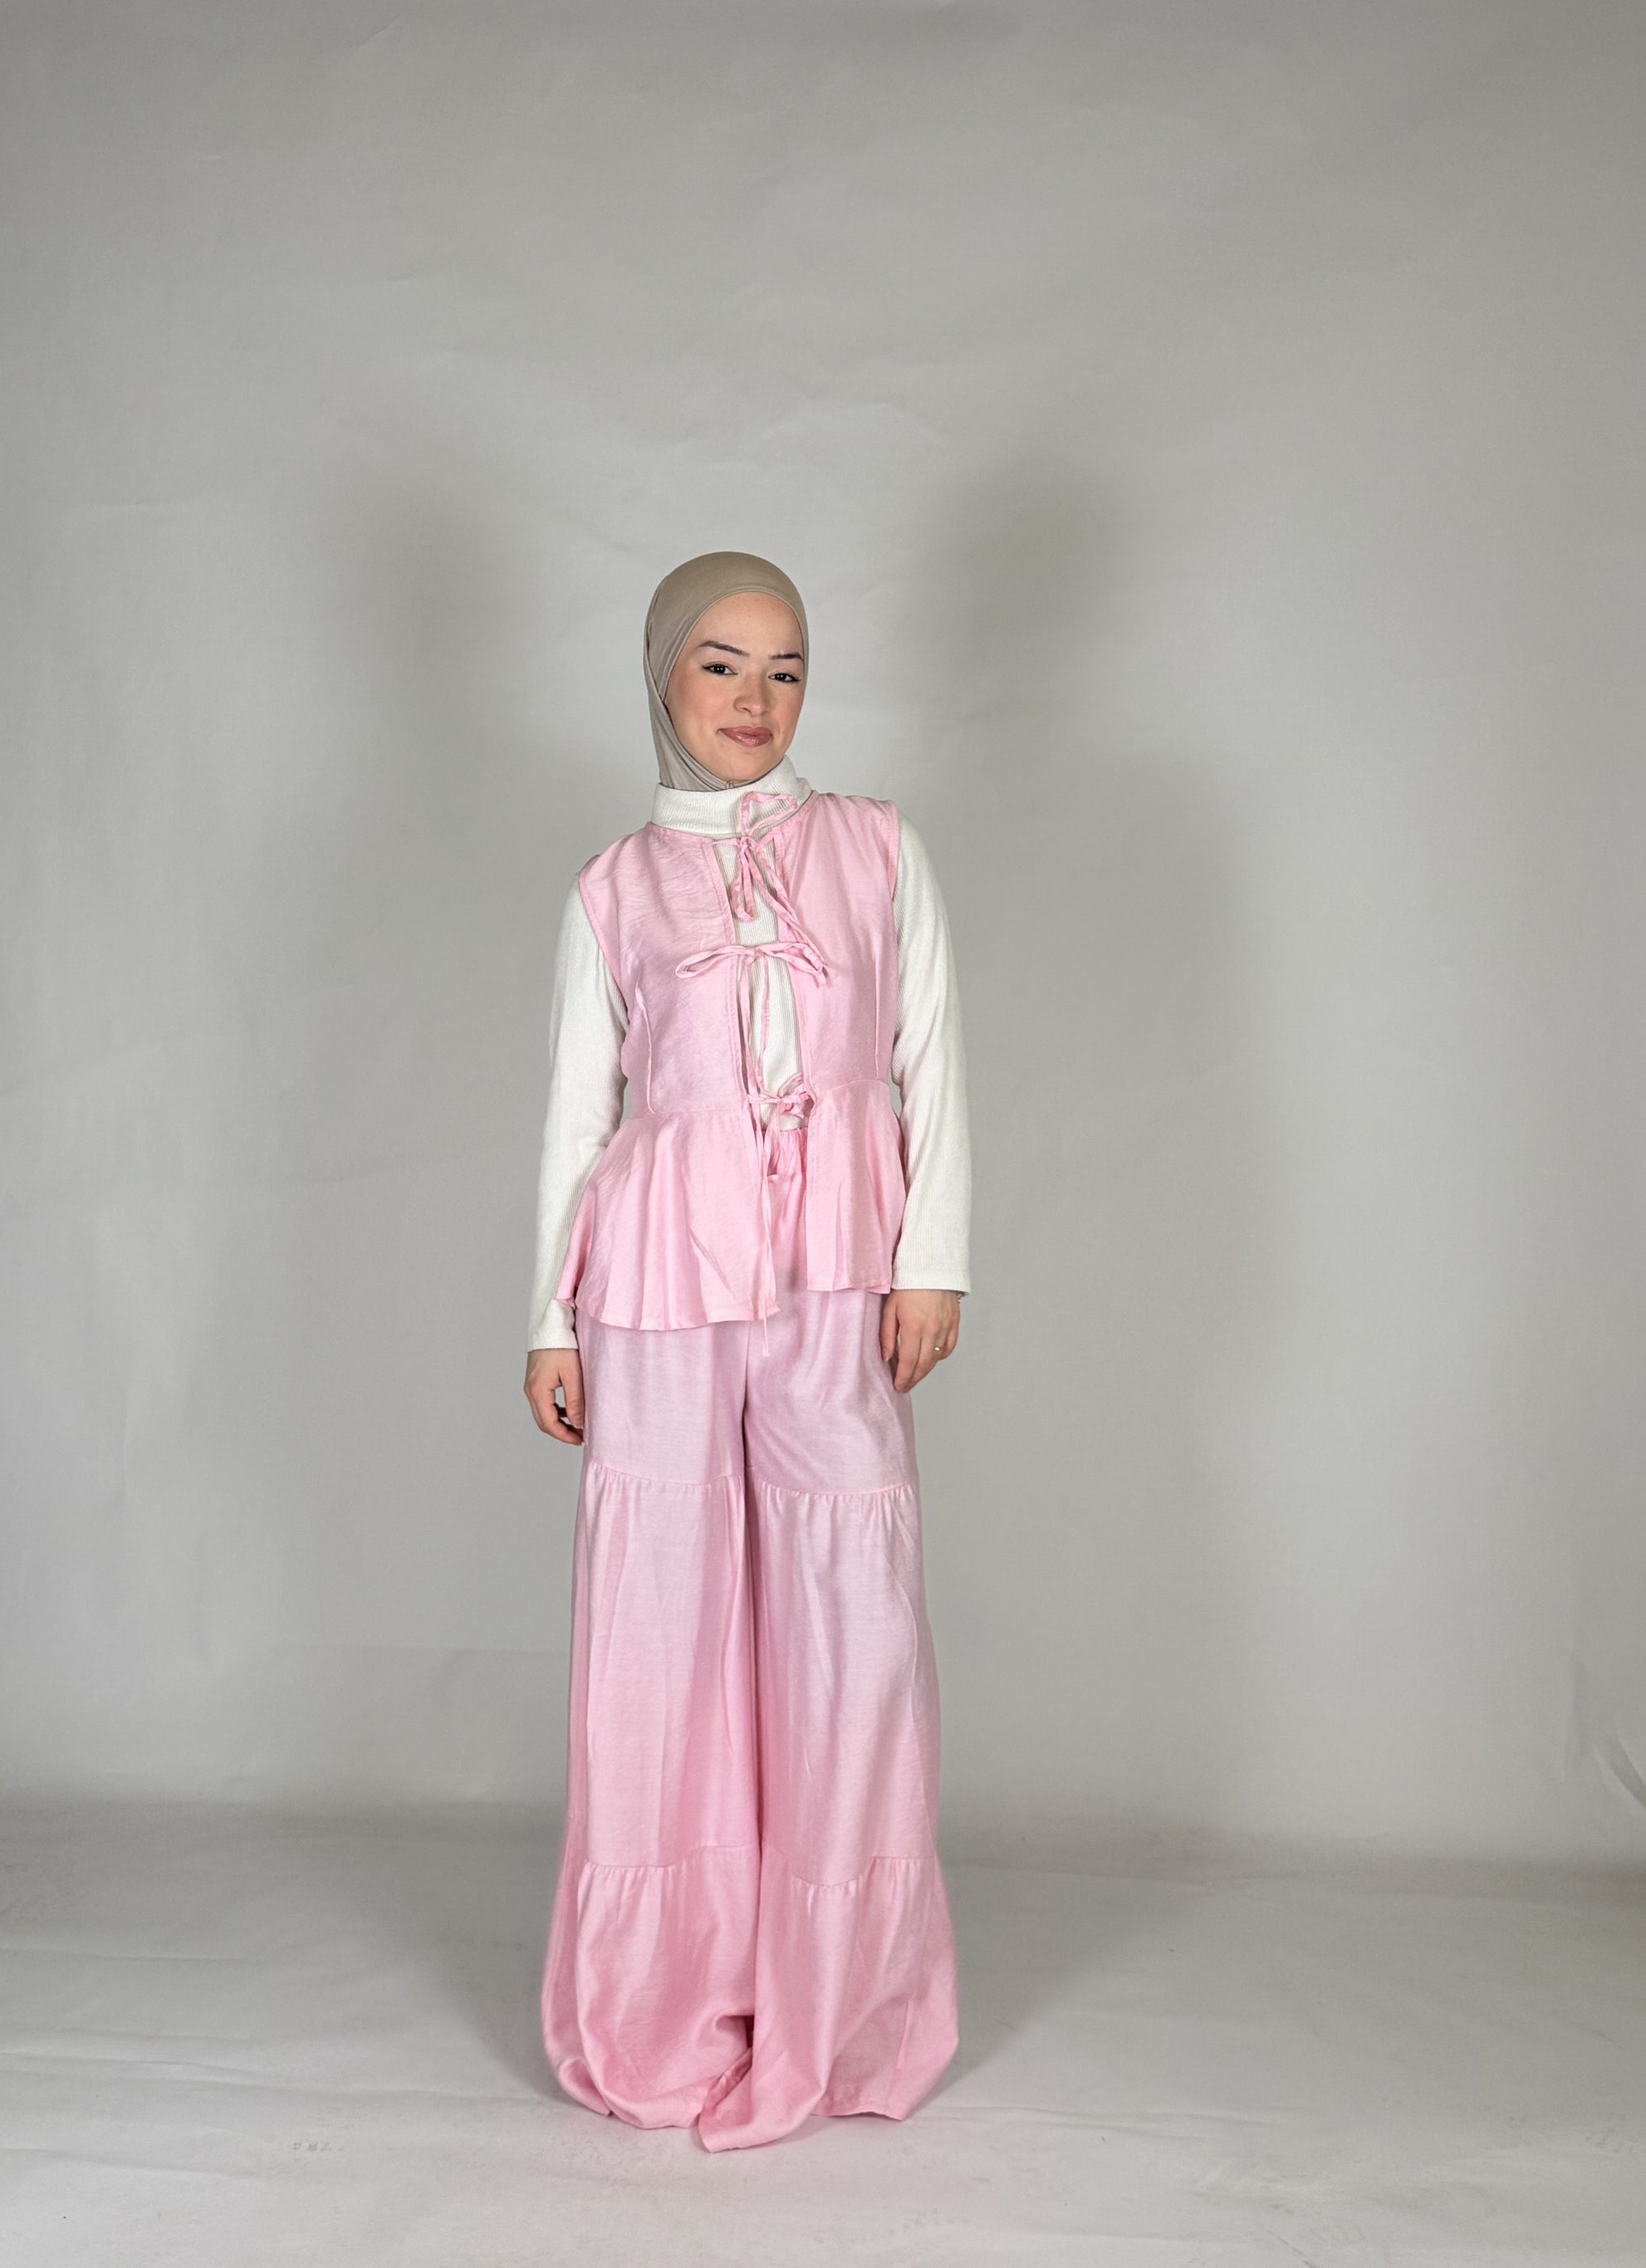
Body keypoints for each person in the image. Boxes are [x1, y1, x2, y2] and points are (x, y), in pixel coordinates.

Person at [523, 550, 972, 2152]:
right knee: (664, 1615)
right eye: (721, 663)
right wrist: (548, 1315)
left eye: (786, 669)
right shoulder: (613, 889)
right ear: (663, 675)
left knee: (852, 1613)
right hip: (655, 1272)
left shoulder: (878, 848)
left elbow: (931, 1055)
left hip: (839, 1258)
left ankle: (837, 2007)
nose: (755, 698)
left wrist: (935, 1258)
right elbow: (578, 1114)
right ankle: (668, 2000)